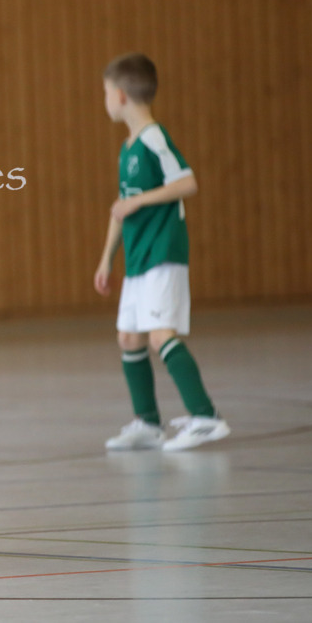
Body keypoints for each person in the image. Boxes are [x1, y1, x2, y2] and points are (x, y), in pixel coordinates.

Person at [94, 52, 230, 452]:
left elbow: (186, 182)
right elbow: (121, 206)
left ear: (120, 95)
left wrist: (139, 203)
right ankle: (148, 423)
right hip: (137, 258)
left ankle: (206, 417)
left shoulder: (154, 136)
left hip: (162, 252)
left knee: (159, 335)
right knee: (129, 338)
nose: (103, 100)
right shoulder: (128, 148)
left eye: (104, 92)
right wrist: (106, 258)